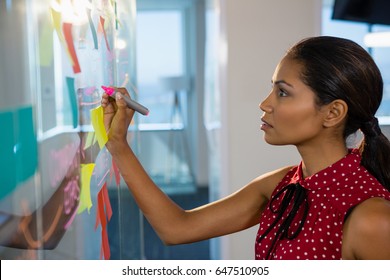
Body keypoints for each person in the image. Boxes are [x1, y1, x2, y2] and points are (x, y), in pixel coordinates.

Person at [101, 36, 390, 260]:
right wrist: (118, 145)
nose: (265, 104)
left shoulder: (372, 218)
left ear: (332, 113)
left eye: (283, 92)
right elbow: (177, 228)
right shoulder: (283, 185)